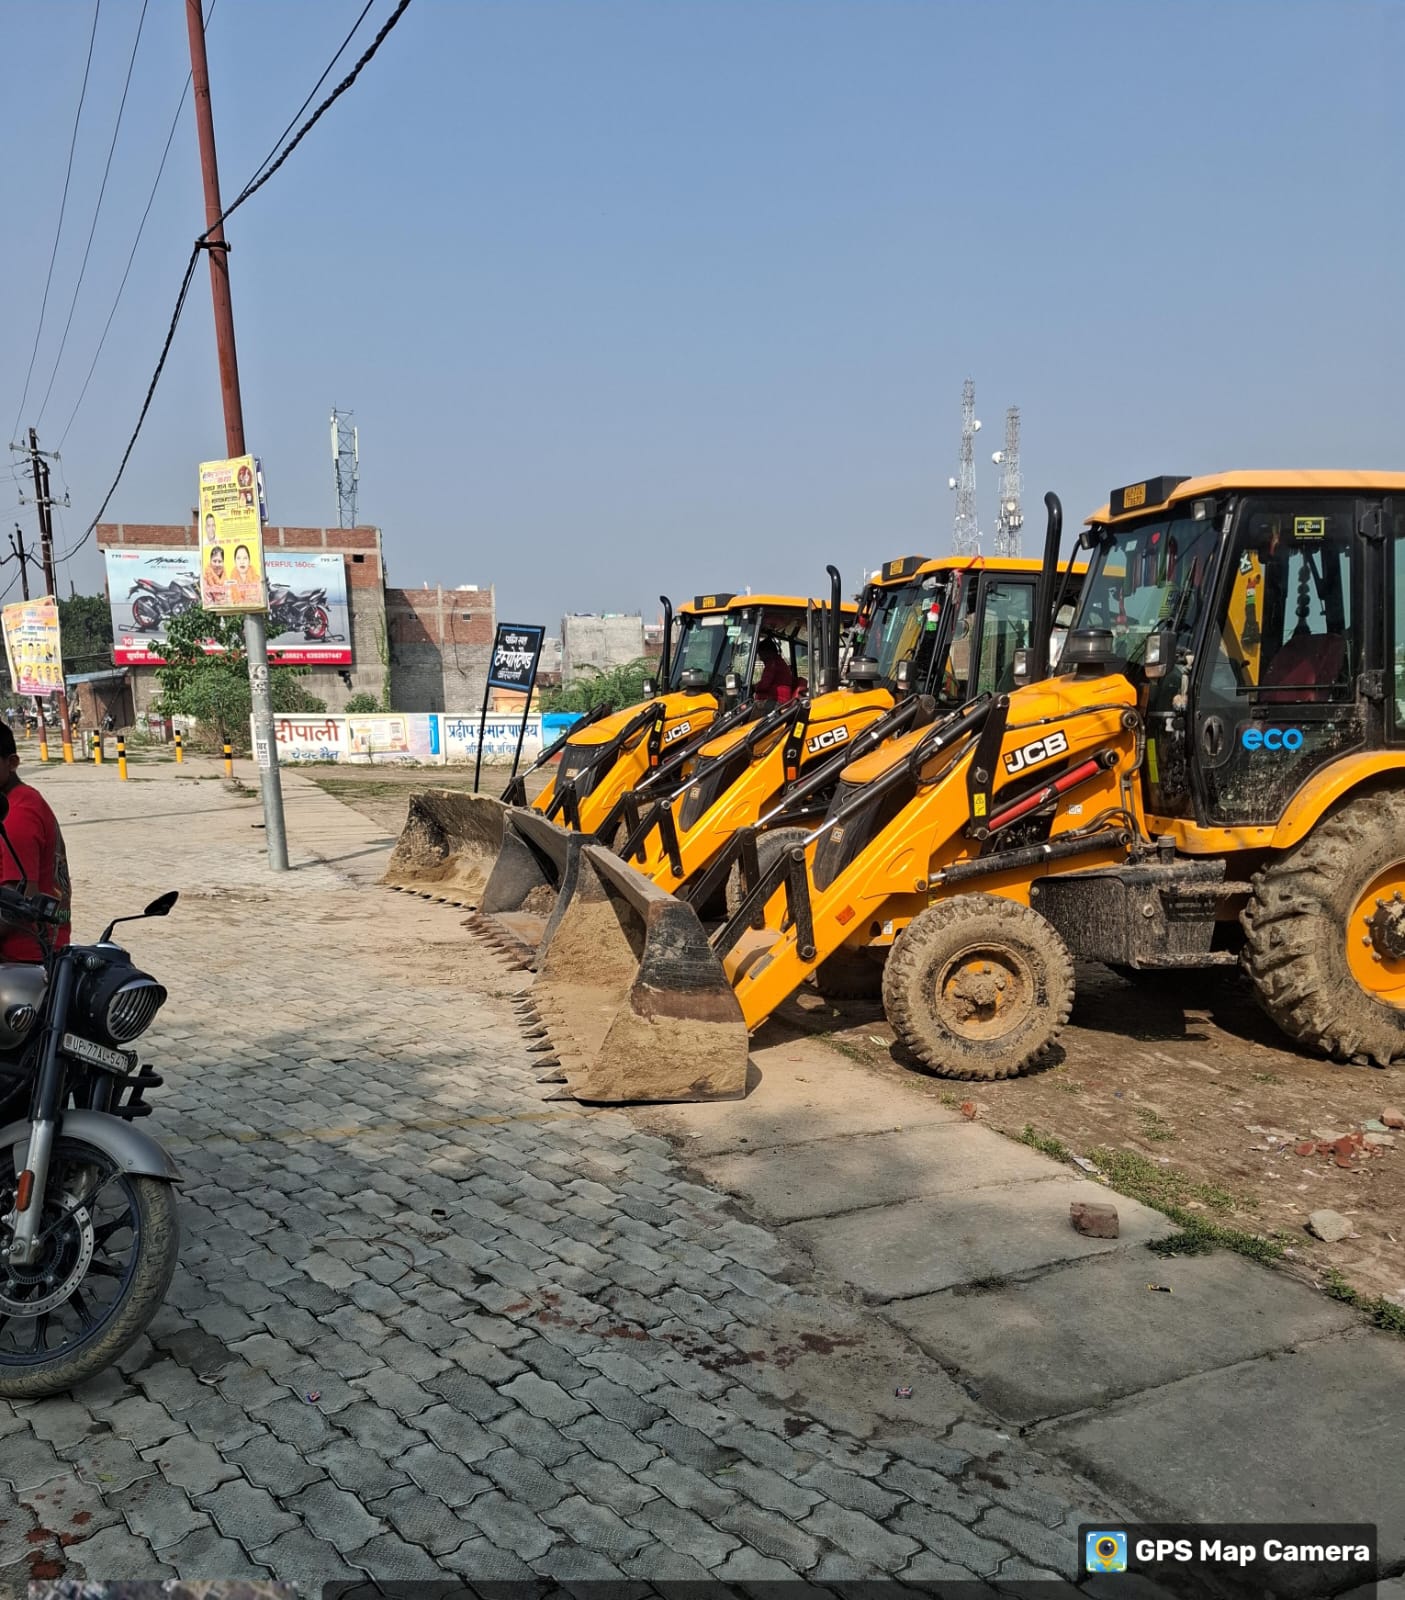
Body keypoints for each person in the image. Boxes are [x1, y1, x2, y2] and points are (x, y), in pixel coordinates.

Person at [0, 722, 71, 962]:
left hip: (22, 958)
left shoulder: (17, 814)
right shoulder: (23, 799)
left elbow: (18, 902)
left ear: (12, 763)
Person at [753, 637, 797, 702]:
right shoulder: (778, 661)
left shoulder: (772, 664)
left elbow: (765, 684)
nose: (760, 657)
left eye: (760, 653)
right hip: (782, 697)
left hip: (776, 700)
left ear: (766, 652)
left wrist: (754, 687)